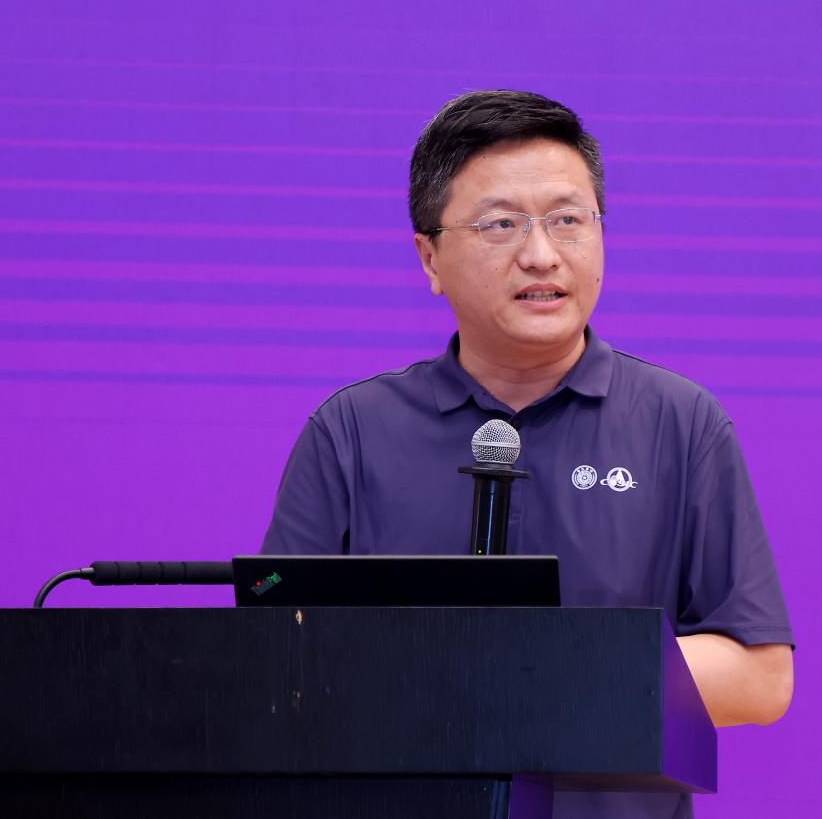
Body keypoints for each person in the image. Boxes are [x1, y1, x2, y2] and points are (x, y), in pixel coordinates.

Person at [262, 89, 794, 819]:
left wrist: (531, 671)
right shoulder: (351, 432)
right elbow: (275, 661)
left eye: (568, 220)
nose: (541, 255)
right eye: (501, 224)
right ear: (429, 257)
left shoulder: (680, 424)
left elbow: (760, 677)